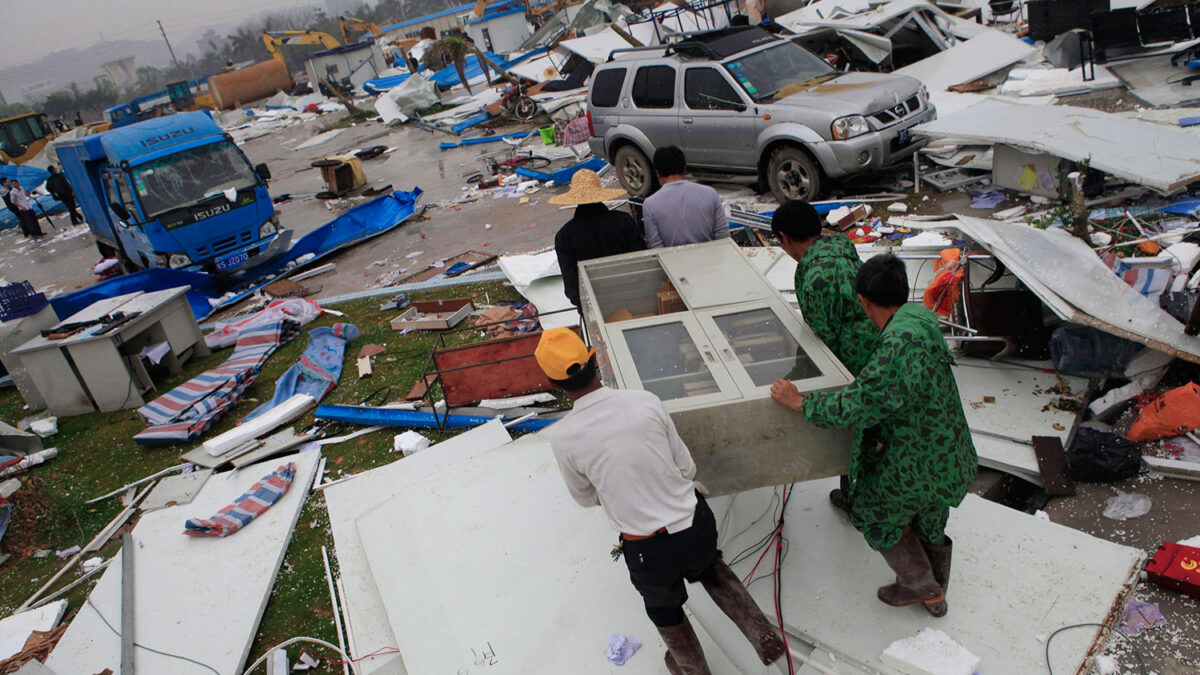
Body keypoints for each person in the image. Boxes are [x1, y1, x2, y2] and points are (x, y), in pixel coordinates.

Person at [535, 328, 785, 674]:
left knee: (664, 609)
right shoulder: (644, 401)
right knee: (710, 565)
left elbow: (585, 497)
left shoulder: (563, 438)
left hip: (647, 551)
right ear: (593, 361)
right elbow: (686, 467)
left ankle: (693, 669)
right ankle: (760, 632)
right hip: (695, 526)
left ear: (553, 382)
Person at [769, 254, 977, 617]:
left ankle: (920, 584)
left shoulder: (897, 347)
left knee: (874, 513)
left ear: (863, 300)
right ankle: (937, 592)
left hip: (919, 456)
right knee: (930, 515)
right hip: (950, 448)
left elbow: (859, 405)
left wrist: (800, 402)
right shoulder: (919, 317)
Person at [771, 200, 879, 511]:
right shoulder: (838, 246)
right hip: (874, 342)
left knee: (860, 426)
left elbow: (823, 340)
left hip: (854, 358)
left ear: (785, 236)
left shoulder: (816, 275)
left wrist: (796, 381)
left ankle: (856, 498)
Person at [550, 169, 644, 309]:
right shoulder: (623, 221)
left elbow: (572, 288)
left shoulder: (564, 237)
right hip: (632, 300)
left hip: (593, 308)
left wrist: (587, 307)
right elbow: (641, 262)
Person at [642, 146, 729, 249]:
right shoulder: (710, 193)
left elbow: (656, 248)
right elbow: (723, 238)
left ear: (658, 173)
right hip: (711, 261)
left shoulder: (650, 205)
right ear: (684, 169)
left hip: (673, 263)